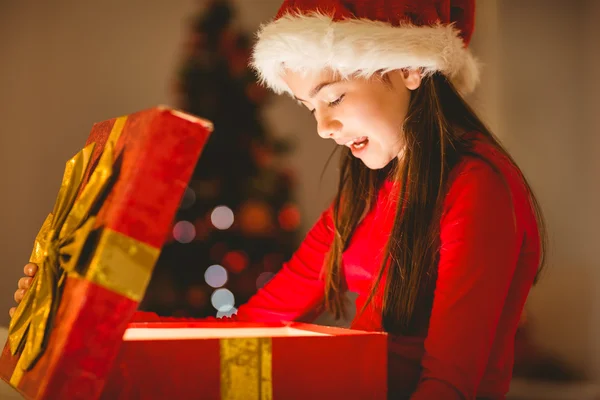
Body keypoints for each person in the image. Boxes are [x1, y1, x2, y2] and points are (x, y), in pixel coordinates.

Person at [10, 0, 546, 398]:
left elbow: (449, 385)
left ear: (411, 67)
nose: (323, 127)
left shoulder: (477, 187)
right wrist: (83, 320)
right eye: (309, 106)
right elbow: (253, 323)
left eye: (333, 97)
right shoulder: (370, 193)